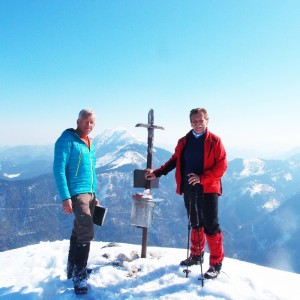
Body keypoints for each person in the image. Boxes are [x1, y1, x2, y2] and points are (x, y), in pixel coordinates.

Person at [145, 107, 227, 279]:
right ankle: (197, 255)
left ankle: (215, 264)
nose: (197, 124)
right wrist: (157, 173)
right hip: (189, 188)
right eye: (194, 121)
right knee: (195, 222)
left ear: (207, 120)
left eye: (201, 120)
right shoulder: (184, 141)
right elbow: (175, 160)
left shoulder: (214, 141)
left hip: (208, 188)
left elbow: (221, 166)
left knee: (211, 226)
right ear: (190, 122)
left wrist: (202, 178)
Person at [53, 108, 98, 294]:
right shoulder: (66, 140)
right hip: (77, 193)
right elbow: (58, 169)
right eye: (86, 121)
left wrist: (94, 193)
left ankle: (73, 268)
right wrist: (65, 197)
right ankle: (79, 277)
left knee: (79, 230)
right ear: (78, 121)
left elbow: (92, 170)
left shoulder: (90, 143)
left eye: (92, 122)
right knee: (86, 230)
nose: (89, 125)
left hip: (89, 193)